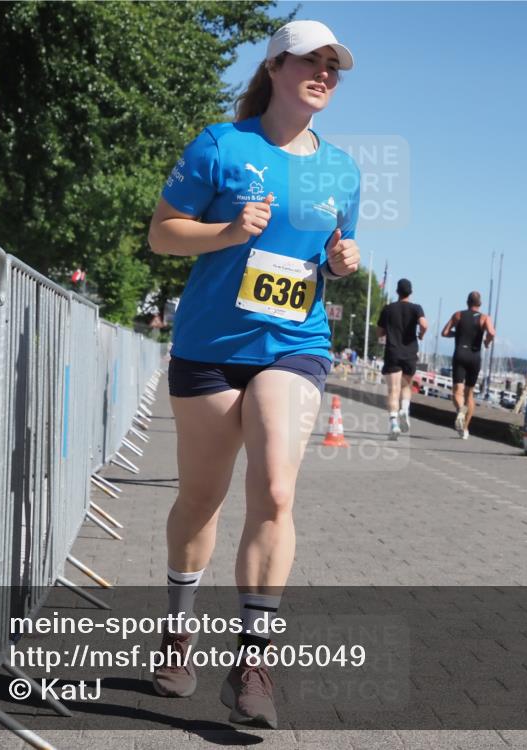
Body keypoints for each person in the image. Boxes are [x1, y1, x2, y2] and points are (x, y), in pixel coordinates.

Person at [146, 20, 359, 728]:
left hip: (294, 342)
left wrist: (340, 264)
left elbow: (329, 252)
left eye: (335, 66)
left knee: (273, 488)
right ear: (275, 66)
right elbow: (163, 232)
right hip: (209, 346)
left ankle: (254, 660)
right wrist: (230, 232)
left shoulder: (343, 170)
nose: (325, 73)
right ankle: (179, 628)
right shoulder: (221, 144)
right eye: (313, 61)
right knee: (200, 501)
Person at [376, 278, 427, 439]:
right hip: (410, 353)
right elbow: (424, 325)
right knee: (406, 387)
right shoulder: (416, 308)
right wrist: (421, 334)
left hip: (393, 352)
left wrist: (388, 331)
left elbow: (379, 333)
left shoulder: (388, 309)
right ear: (410, 292)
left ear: (397, 292)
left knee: (393, 390)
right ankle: (404, 410)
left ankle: (394, 424)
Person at [441, 291, 495, 439]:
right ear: (480, 304)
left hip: (460, 354)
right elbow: (492, 332)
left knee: (457, 392)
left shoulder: (458, 315)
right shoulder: (485, 318)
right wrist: (486, 342)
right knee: (469, 394)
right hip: (474, 356)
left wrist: (456, 334)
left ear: (467, 302)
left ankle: (460, 411)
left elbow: (444, 333)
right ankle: (464, 430)